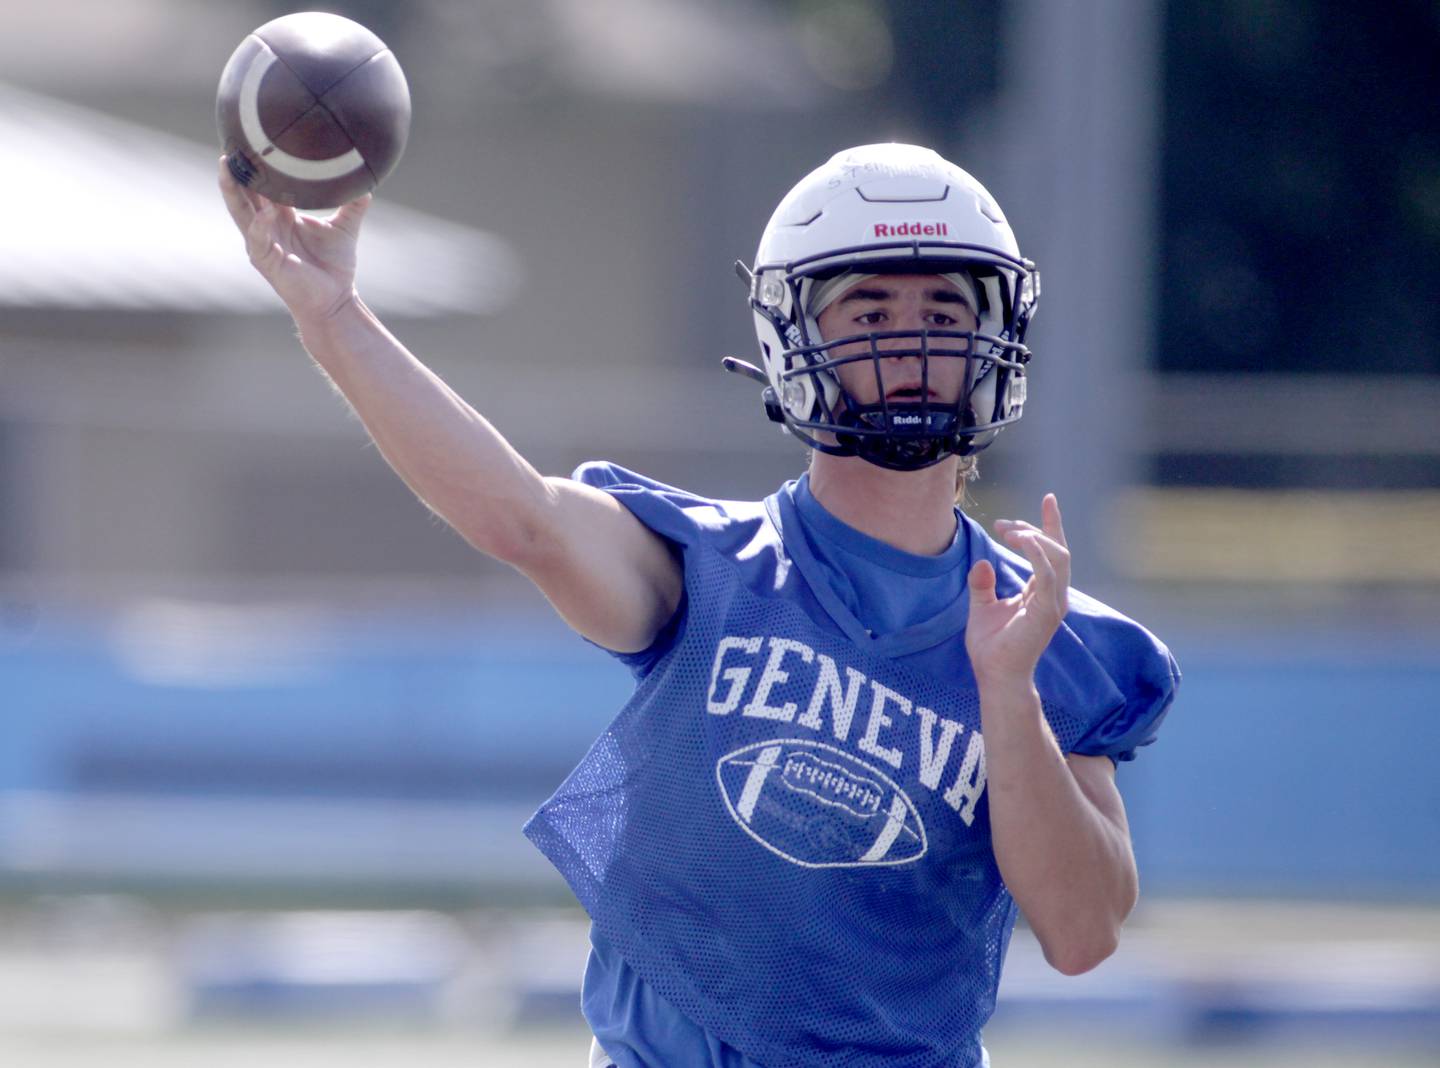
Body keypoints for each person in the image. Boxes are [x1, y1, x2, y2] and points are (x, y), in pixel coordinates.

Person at [219, 142, 1179, 1068]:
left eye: (943, 304)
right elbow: (522, 517)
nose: (914, 338)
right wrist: (334, 315)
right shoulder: (709, 563)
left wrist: (1009, 695)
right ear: (793, 332)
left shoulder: (1050, 634)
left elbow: (1084, 931)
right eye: (871, 307)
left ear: (993, 333)